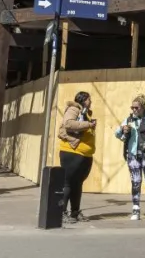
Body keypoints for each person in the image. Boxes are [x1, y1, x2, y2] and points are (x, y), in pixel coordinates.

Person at [115, 94, 145, 221]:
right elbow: (117, 134)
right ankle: (136, 209)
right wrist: (122, 129)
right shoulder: (129, 119)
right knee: (136, 182)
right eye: (132, 107)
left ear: (143, 107)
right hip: (133, 154)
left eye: (136, 107)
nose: (134, 110)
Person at [58, 91, 97, 223]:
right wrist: (88, 124)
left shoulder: (85, 113)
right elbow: (68, 124)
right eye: (89, 99)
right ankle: (61, 212)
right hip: (72, 152)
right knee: (68, 182)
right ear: (83, 100)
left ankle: (75, 212)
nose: (90, 102)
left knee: (78, 183)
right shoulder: (74, 109)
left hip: (85, 153)